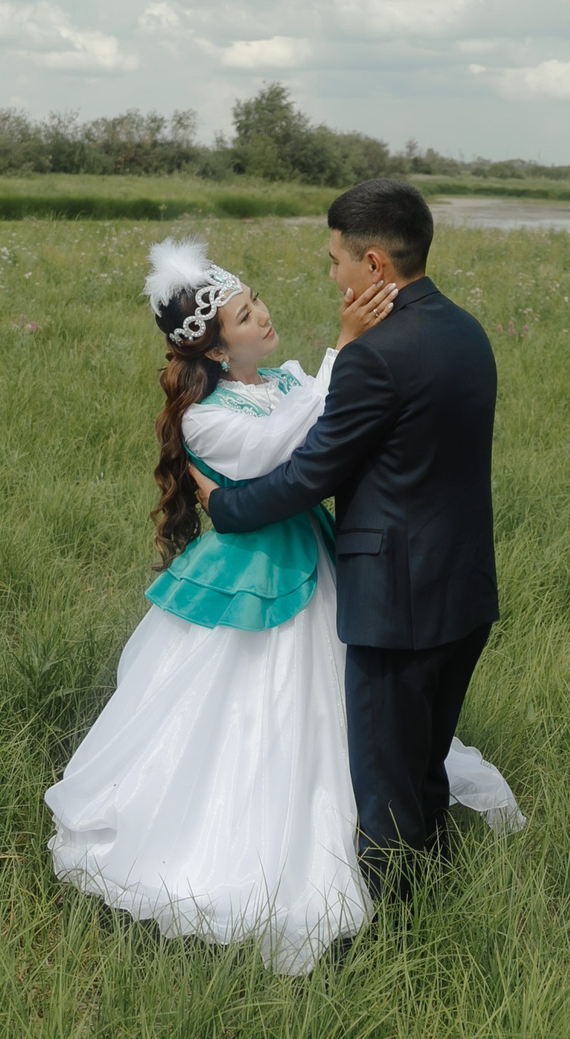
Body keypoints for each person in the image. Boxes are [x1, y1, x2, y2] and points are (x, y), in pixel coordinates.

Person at [44, 234, 521, 974]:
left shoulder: (289, 378)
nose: (263, 317)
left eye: (257, 300)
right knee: (251, 709)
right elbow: (290, 449)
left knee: (347, 704)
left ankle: (383, 824)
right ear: (211, 347)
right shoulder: (210, 418)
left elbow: (326, 433)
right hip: (254, 576)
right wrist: (345, 346)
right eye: (242, 315)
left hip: (316, 555)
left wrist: (341, 358)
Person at [197, 180, 499, 903]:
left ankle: (400, 936)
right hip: (465, 590)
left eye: (335, 260)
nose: (330, 275)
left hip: (396, 602)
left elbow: (310, 474)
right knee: (424, 762)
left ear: (373, 263)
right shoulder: (466, 330)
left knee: (386, 780)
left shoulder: (375, 357)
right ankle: (438, 882)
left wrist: (229, 505)